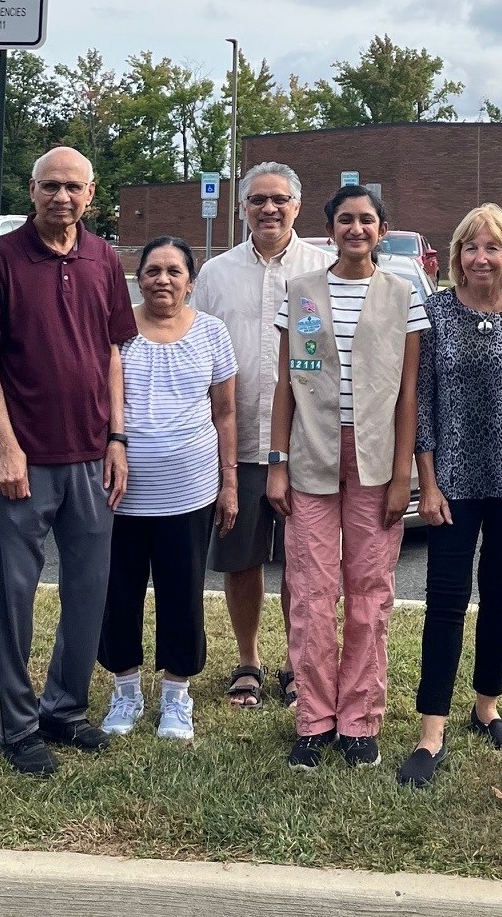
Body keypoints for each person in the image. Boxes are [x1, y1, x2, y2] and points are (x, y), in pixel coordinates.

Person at [267, 184, 430, 770]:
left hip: (377, 457)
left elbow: (410, 392)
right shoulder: (301, 291)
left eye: (366, 220)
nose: (356, 229)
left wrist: (400, 474)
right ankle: (313, 717)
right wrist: (277, 463)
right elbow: (285, 383)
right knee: (311, 593)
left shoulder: (403, 295)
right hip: (310, 455)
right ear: (329, 228)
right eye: (345, 220)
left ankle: (359, 718)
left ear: (381, 230)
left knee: (369, 594)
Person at [0, 146, 138, 776]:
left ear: (91, 193)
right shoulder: (1, 257)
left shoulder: (103, 258)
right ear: (31, 191)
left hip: (91, 455)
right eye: (50, 186)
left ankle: (64, 708)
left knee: (89, 589)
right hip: (25, 460)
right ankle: (18, 726)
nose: (61, 197)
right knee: (15, 596)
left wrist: (117, 439)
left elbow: (111, 353)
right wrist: (7, 448)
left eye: (73, 187)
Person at [396, 204, 502, 788]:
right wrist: (427, 483)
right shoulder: (435, 313)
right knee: (444, 599)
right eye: (470, 247)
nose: (480, 257)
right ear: (456, 256)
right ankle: (430, 729)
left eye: (492, 247)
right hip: (452, 486)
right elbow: (422, 404)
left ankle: (486, 704)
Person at [195, 162, 330, 711]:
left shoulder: (323, 269)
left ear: (297, 206)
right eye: (257, 200)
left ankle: (300, 663)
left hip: (309, 442)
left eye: (279, 199)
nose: (269, 209)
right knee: (241, 558)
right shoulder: (215, 273)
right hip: (237, 443)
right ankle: (248, 660)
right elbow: (196, 348)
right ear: (242, 208)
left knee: (304, 560)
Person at [97, 237, 239, 743]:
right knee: (119, 590)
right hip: (122, 491)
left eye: (174, 271)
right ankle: (126, 689)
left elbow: (225, 413)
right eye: (153, 270)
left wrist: (230, 483)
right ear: (139, 277)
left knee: (182, 593)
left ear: (190, 280)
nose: (163, 279)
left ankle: (177, 695)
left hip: (190, 490)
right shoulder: (117, 332)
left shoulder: (212, 333)